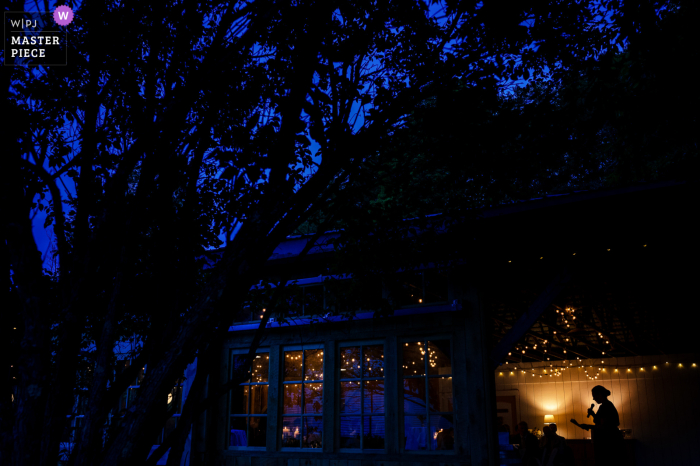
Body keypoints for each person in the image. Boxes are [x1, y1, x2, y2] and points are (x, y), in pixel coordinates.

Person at [570, 385, 625, 466]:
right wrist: (593, 414)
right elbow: (602, 422)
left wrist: (588, 426)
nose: (593, 398)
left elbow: (604, 426)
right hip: (611, 439)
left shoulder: (605, 406)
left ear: (599, 394)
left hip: (608, 441)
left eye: (594, 396)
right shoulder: (607, 405)